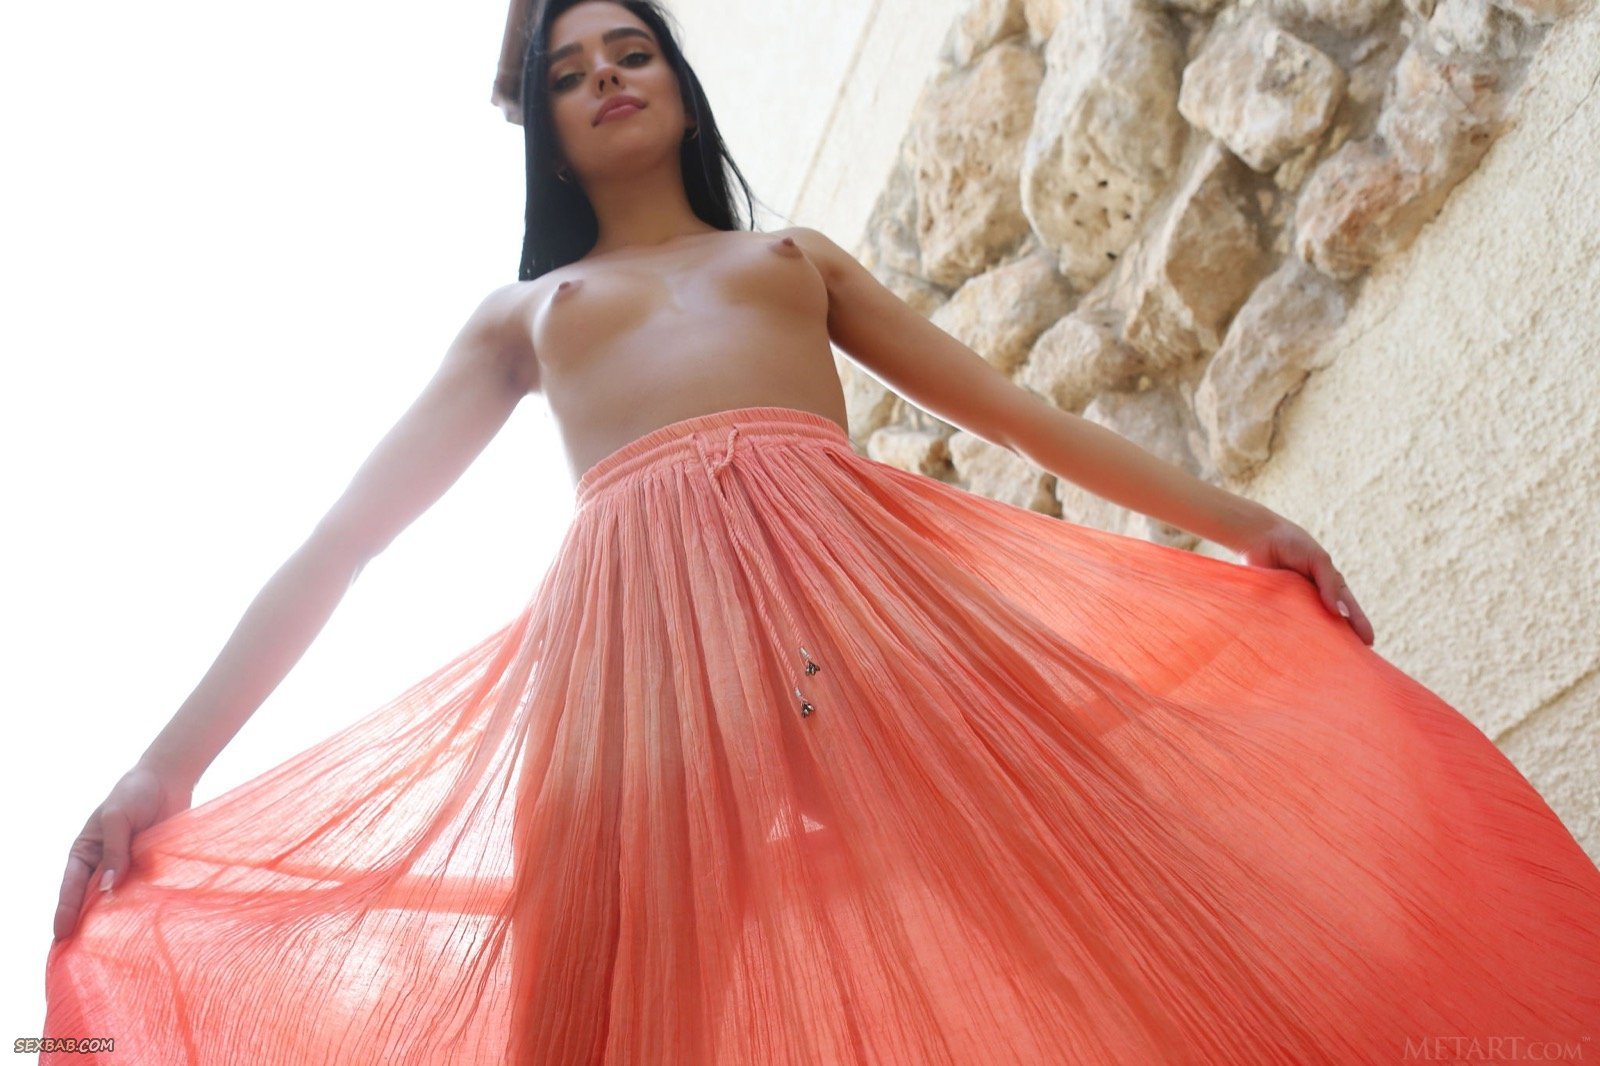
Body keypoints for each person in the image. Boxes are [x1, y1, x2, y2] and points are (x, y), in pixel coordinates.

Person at [41, 1, 1600, 1062]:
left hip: (860, 624)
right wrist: (159, 771)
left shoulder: (790, 257)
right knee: (601, 1003)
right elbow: (341, 544)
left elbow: (1015, 413)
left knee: (1089, 895)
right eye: (571, 70)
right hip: (639, 673)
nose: (608, 76)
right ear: (547, 128)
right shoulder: (530, 314)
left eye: (634, 49)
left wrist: (1243, 517)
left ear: (681, 82)